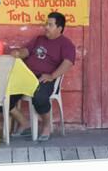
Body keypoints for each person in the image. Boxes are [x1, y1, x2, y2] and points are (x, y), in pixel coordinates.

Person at [9, 12, 76, 141]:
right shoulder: (39, 39)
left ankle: (46, 125)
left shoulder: (66, 44)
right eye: (46, 24)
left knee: (39, 98)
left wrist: (52, 76)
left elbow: (68, 63)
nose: (46, 27)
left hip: (45, 79)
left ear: (59, 28)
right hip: (27, 77)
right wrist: (18, 53)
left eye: (50, 25)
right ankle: (24, 122)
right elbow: (26, 52)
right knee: (3, 95)